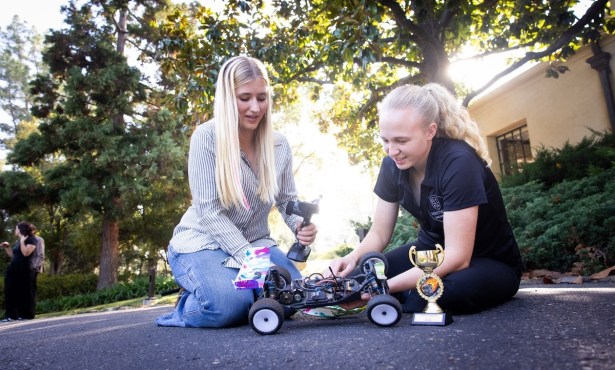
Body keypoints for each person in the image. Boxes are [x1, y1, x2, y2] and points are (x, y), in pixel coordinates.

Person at [329, 83, 522, 314]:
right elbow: (379, 233)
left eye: (401, 141)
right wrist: (351, 258)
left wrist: (385, 287)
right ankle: (404, 293)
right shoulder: (392, 165)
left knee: (446, 293)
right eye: (385, 141)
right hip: (428, 253)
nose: (392, 151)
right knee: (352, 279)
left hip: (487, 260)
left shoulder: (459, 162)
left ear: (430, 131)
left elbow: (458, 257)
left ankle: (405, 295)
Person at [156, 56, 317, 328]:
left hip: (254, 244)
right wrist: (252, 263)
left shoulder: (278, 145)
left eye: (262, 97)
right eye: (245, 98)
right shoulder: (206, 137)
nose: (255, 108)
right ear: (228, 98)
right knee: (227, 307)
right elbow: (209, 212)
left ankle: (247, 294)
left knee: (292, 298)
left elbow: (287, 200)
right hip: (204, 244)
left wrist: (299, 225)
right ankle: (188, 306)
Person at [2, 221, 39, 321]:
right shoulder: (18, 242)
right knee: (10, 291)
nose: (15, 230)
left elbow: (26, 253)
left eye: (16, 228)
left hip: (25, 270)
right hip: (14, 269)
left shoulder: (32, 240)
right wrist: (8, 247)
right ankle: (11, 316)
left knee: (25, 292)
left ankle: (26, 314)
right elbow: (14, 256)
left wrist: (23, 241)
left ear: (21, 229)